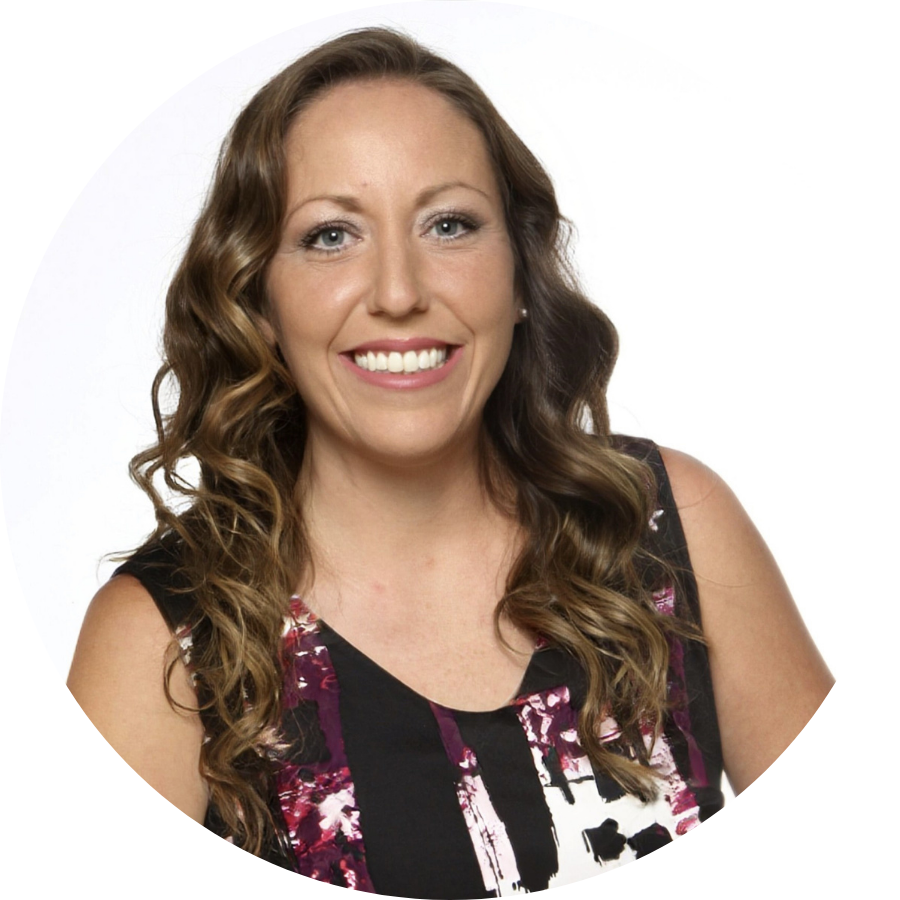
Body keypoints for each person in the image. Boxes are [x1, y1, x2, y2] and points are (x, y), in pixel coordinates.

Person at [66, 27, 833, 896]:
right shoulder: (163, 644)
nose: (398, 292)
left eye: (450, 224)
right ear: (257, 299)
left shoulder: (666, 523)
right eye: (329, 236)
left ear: (518, 275)